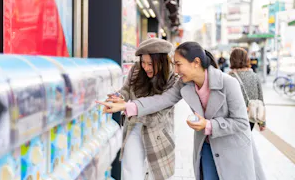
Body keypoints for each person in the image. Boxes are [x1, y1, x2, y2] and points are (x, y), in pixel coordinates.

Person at [98, 41, 266, 180]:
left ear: (196, 63)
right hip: (206, 146)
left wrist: (208, 125)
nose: (176, 71)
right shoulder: (185, 84)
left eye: (178, 65)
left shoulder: (229, 83)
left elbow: (242, 123)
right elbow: (161, 100)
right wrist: (125, 106)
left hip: (232, 148)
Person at [109, 38, 177, 180]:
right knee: (131, 172)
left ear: (162, 62)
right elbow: (126, 90)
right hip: (134, 128)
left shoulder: (173, 79)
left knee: (157, 175)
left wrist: (129, 109)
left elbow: (159, 115)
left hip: (159, 132)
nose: (146, 67)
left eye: (150, 63)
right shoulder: (136, 69)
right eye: (143, 62)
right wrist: (119, 97)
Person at [229, 47, 266, 131]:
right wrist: (262, 122)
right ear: (247, 59)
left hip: (233, 119)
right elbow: (260, 100)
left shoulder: (228, 78)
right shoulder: (255, 77)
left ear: (232, 60)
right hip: (250, 117)